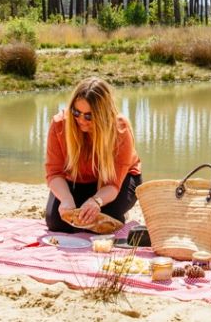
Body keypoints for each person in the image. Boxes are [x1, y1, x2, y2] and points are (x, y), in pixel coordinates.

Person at [44, 76, 142, 232]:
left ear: (104, 114)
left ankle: (117, 210)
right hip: (77, 179)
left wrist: (96, 201)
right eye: (76, 112)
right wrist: (66, 199)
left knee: (105, 218)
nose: (81, 120)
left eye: (89, 116)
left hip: (118, 181)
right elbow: (54, 173)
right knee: (57, 223)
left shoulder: (120, 130)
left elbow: (113, 183)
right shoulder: (59, 124)